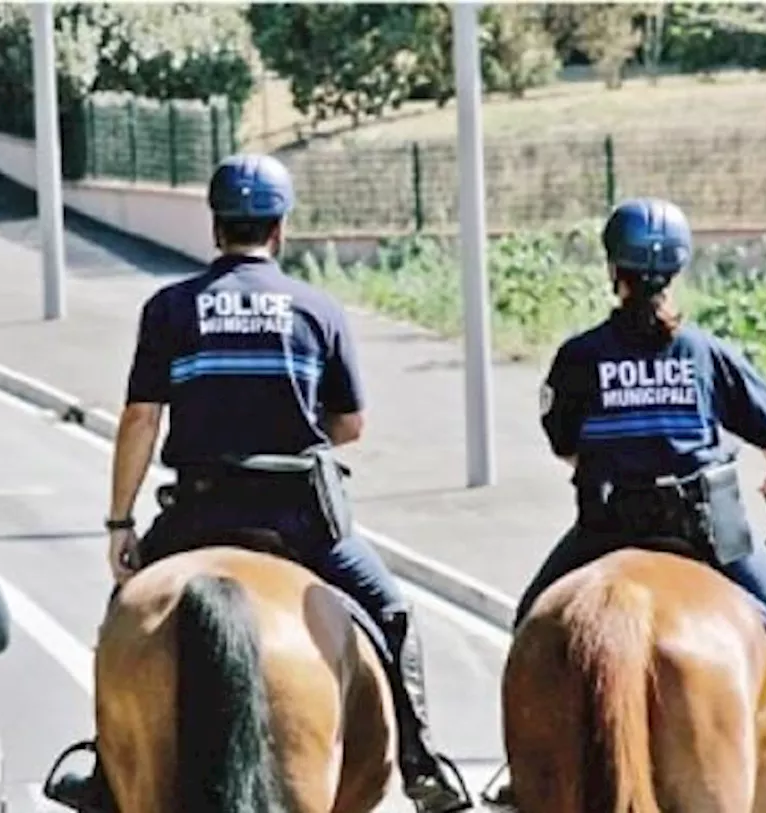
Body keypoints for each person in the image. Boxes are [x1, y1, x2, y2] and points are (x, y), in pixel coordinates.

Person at [46, 153, 471, 813]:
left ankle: (104, 770)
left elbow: (140, 419)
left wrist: (120, 521)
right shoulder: (318, 310)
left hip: (197, 516)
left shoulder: (170, 309)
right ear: (279, 231)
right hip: (299, 519)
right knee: (389, 612)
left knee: (125, 616)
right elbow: (350, 423)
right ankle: (422, 764)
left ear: (216, 229)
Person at [488, 197, 766, 806]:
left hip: (607, 530)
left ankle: (528, 764)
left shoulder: (580, 356)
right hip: (707, 534)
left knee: (535, 615)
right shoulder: (706, 353)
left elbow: (566, 448)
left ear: (614, 269)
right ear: (678, 271)